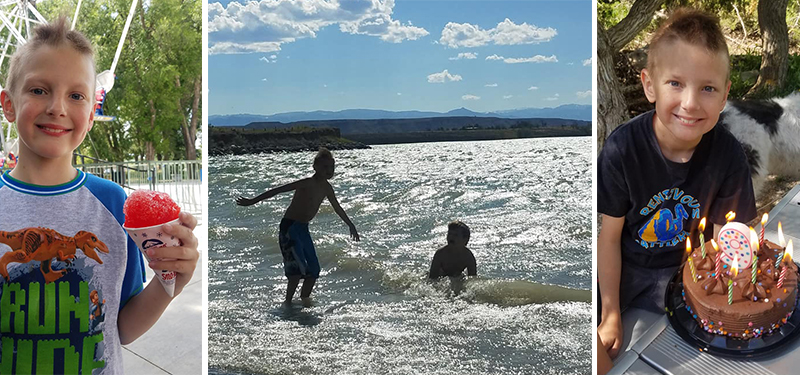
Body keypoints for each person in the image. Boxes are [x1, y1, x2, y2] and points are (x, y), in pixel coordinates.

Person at [0, 17, 199, 374]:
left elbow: (121, 328)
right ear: (9, 104)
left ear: (91, 114)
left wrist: (170, 282)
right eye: (39, 90)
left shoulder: (112, 202)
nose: (57, 107)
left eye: (76, 95)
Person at [596, 8, 757, 359]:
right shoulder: (622, 149)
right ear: (649, 85)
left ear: (725, 94)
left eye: (708, 88)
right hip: (625, 271)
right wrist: (609, 314)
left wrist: (727, 299)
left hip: (686, 275)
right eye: (675, 83)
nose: (690, 103)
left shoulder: (728, 156)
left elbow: (725, 242)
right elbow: (608, 238)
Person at [236, 148, 360, 304]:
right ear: (315, 167)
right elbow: (278, 190)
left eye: (331, 167)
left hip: (303, 229)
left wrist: (350, 225)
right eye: (324, 167)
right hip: (290, 228)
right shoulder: (307, 183)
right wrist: (252, 201)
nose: (328, 171)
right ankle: (287, 303)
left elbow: (337, 207)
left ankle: (304, 302)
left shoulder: (327, 188)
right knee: (295, 271)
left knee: (314, 270)